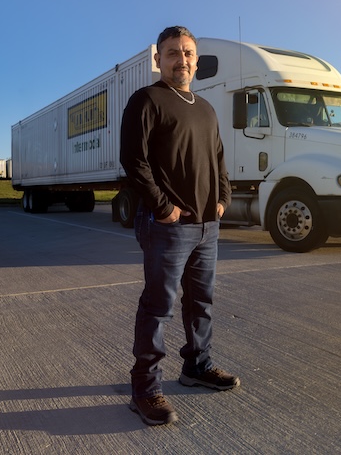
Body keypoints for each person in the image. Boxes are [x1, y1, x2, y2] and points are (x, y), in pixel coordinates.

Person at [120, 26, 239, 426]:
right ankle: (144, 388)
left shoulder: (205, 108)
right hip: (167, 226)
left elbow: (218, 158)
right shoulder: (147, 100)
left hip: (208, 224)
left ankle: (196, 367)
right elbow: (133, 161)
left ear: (197, 60)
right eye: (172, 53)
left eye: (188, 53)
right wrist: (163, 208)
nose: (181, 60)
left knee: (200, 302)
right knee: (159, 307)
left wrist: (222, 200)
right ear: (159, 60)